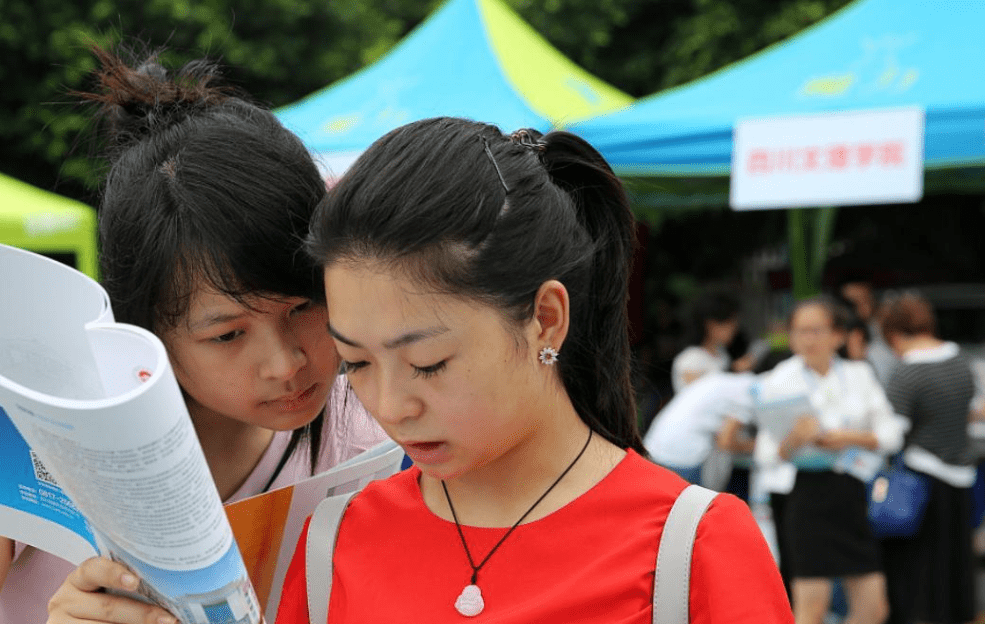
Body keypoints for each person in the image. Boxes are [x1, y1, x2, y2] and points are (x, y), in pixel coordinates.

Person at [0, 47, 384, 624]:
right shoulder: (11, 445)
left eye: (301, 306)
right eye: (227, 334)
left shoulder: (382, 432)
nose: (284, 362)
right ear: (146, 330)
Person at [273, 119, 792, 622]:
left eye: (428, 365)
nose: (390, 407)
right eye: (356, 363)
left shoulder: (693, 547)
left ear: (545, 319)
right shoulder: (335, 542)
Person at [752, 296, 903, 624]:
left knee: (874, 607)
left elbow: (891, 433)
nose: (808, 339)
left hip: (852, 489)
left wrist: (849, 438)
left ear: (838, 335)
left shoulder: (859, 373)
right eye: (800, 331)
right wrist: (795, 439)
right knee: (811, 610)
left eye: (816, 330)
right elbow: (765, 454)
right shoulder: (780, 379)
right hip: (806, 496)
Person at [878, 292, 978, 624]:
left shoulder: (908, 372)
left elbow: (893, 433)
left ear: (893, 333)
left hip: (920, 478)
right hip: (962, 473)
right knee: (956, 560)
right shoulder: (961, 360)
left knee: (920, 566)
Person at [671, 291, 754, 393]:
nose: (734, 328)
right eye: (730, 323)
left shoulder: (721, 354)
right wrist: (734, 371)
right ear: (711, 325)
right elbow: (698, 395)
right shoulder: (690, 359)